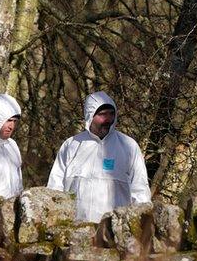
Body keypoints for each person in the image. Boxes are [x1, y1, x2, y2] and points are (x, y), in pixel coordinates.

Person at [47, 91, 151, 222]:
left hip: (115, 232)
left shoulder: (128, 146)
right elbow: (54, 188)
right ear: (90, 116)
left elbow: (140, 190)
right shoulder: (71, 145)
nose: (108, 119)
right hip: (75, 230)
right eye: (102, 115)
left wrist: (140, 227)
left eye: (111, 114)